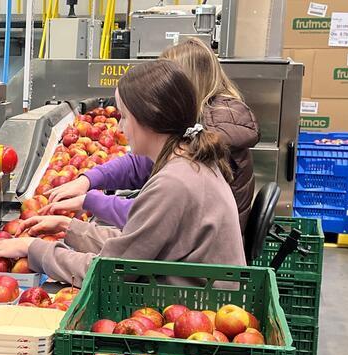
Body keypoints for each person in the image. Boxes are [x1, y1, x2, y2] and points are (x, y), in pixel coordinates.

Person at [0, 59, 246, 286]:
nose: (120, 128)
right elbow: (135, 244)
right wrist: (69, 227)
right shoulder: (190, 159)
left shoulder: (173, 183)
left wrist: (36, 250)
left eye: (124, 116)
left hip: (193, 315)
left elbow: (112, 271)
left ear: (150, 118)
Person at [46, 38, 259, 232]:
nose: (120, 128)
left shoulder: (208, 142)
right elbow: (141, 166)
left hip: (199, 264)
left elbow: (153, 213)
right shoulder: (197, 129)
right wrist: (89, 180)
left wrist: (90, 203)